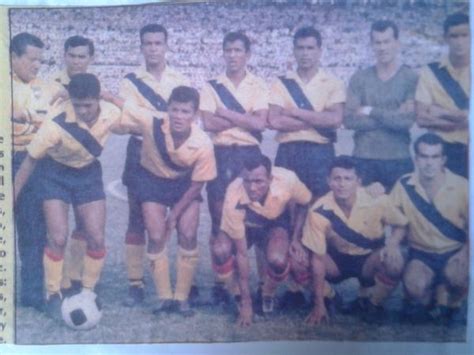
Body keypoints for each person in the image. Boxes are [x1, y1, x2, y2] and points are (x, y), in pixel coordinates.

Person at [14, 73, 123, 318]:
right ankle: (53, 293)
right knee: (58, 237)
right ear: (70, 101)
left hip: (88, 174)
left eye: (89, 104)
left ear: (98, 100)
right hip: (54, 174)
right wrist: (10, 198)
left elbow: (139, 120)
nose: (83, 110)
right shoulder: (55, 123)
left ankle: (87, 291)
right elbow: (29, 162)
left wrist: (110, 96)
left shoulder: (111, 112)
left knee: (96, 236)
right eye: (78, 104)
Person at [110, 85, 216, 315]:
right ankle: (165, 296)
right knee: (156, 235)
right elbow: (123, 104)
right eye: (175, 110)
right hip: (153, 182)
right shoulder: (153, 122)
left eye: (186, 112)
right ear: (167, 109)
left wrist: (175, 214)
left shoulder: (204, 142)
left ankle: (182, 297)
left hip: (184, 186)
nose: (179, 116)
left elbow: (198, 184)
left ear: (195, 115)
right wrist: (101, 93)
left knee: (187, 233)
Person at [116, 24, 190, 307]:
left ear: (166, 44)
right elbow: (127, 120)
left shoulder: (179, 79)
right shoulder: (130, 81)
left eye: (158, 43)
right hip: (139, 150)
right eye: (148, 43)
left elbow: (186, 118)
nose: (153, 48)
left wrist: (147, 116)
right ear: (141, 46)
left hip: (174, 151)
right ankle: (136, 282)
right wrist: (161, 118)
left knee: (179, 218)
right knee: (137, 217)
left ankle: (183, 281)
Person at [295, 156, 407, 325]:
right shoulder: (318, 209)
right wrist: (318, 305)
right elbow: (318, 258)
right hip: (336, 260)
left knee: (395, 261)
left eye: (348, 179)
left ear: (358, 181)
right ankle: (330, 297)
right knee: (298, 262)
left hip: (368, 259)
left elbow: (400, 225)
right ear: (329, 181)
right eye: (337, 178)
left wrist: (392, 244)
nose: (342, 184)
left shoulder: (378, 200)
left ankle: (371, 303)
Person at [200, 31, 269, 303]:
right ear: (223, 53)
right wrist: (245, 119)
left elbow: (260, 124)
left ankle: (263, 284)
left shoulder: (259, 85)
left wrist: (226, 113)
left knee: (257, 219)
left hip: (250, 154)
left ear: (247, 54)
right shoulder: (211, 86)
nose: (232, 55)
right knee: (219, 219)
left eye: (238, 50)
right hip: (221, 153)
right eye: (228, 50)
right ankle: (223, 281)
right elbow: (207, 123)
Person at [212, 154, 312, 326]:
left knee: (278, 259)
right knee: (220, 249)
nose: (252, 188)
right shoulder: (233, 193)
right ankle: (238, 293)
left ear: (271, 178)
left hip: (275, 223)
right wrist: (246, 303)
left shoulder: (287, 179)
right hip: (247, 224)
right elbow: (243, 255)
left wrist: (295, 238)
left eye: (259, 181)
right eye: (248, 181)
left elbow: (305, 202)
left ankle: (267, 292)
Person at [390, 133, 468, 324]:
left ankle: (456, 302)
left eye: (435, 157)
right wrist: (392, 244)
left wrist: (466, 252)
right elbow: (399, 221)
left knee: (457, 277)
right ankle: (434, 291)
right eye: (424, 156)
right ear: (416, 159)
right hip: (422, 254)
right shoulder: (404, 184)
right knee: (415, 288)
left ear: (443, 159)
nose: (429, 163)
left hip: (453, 251)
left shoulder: (462, 186)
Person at [11, 32, 64, 310]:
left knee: (38, 230)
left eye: (39, 60)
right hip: (11, 158)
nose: (36, 65)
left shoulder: (48, 87)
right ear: (14, 57)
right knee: (25, 230)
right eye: (31, 59)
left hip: (38, 161)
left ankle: (36, 294)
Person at [268, 26, 345, 198]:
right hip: (288, 151)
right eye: (300, 48)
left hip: (320, 152)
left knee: (319, 206)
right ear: (294, 51)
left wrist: (295, 112)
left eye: (310, 48)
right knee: (285, 205)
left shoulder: (333, 83)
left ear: (319, 51)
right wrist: (318, 118)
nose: (305, 53)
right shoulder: (281, 83)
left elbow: (335, 120)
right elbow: (274, 121)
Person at [47, 35, 97, 295]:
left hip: (84, 164)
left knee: (83, 224)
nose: (77, 61)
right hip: (54, 163)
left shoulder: (93, 86)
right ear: (64, 55)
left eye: (82, 56)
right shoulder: (51, 85)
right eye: (73, 55)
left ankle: (75, 276)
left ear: (91, 59)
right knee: (57, 229)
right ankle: (59, 282)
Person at [344, 20, 418, 191]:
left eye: (387, 41)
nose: (382, 47)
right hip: (363, 158)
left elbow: (405, 122)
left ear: (397, 43)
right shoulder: (359, 78)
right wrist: (393, 116)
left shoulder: (410, 78)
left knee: (399, 215)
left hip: (398, 158)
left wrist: (370, 110)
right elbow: (349, 120)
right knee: (363, 214)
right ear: (372, 44)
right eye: (378, 42)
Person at [415, 13, 470, 178]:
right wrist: (463, 119)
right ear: (445, 38)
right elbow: (422, 118)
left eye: (464, 35)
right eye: (454, 36)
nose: (459, 41)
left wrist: (441, 112)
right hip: (443, 151)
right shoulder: (430, 71)